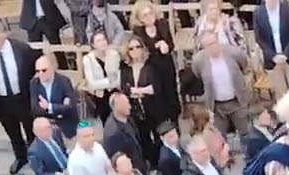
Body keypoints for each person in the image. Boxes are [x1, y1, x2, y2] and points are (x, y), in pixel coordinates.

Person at [0, 20, 38, 175]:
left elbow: (33, 67)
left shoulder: (21, 49)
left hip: (22, 97)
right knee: (13, 132)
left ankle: (35, 157)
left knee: (30, 130)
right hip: (2, 101)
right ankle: (21, 157)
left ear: (5, 35)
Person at [192, 30, 252, 138]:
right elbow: (198, 75)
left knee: (247, 134)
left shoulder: (233, 53)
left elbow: (244, 64)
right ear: (204, 47)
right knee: (219, 137)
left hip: (237, 102)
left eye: (214, 42)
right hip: (217, 106)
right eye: (208, 45)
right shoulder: (198, 61)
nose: (212, 47)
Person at [130, 1, 180, 130]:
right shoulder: (138, 31)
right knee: (157, 102)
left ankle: (176, 129)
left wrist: (166, 46)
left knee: (171, 99)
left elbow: (171, 44)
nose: (148, 17)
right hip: (151, 70)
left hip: (166, 67)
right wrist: (156, 45)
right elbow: (142, 50)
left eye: (150, 13)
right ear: (139, 18)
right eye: (144, 15)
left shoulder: (162, 24)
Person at [256, 0, 289, 97]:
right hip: (273, 62)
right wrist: (273, 56)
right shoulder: (258, 13)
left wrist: (286, 54)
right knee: (281, 96)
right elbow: (259, 38)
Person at [31, 56, 79, 141]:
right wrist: (59, 107)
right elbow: (35, 109)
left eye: (44, 70)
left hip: (65, 128)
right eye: (37, 71)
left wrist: (49, 107)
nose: (40, 74)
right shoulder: (34, 83)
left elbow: (70, 107)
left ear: (52, 68)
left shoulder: (64, 81)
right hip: (46, 128)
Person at [82, 30, 121, 125]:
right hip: (100, 95)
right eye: (98, 41)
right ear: (93, 44)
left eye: (104, 39)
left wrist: (109, 82)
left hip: (115, 92)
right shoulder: (88, 59)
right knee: (107, 122)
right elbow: (92, 84)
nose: (102, 42)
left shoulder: (114, 54)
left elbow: (118, 79)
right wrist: (109, 81)